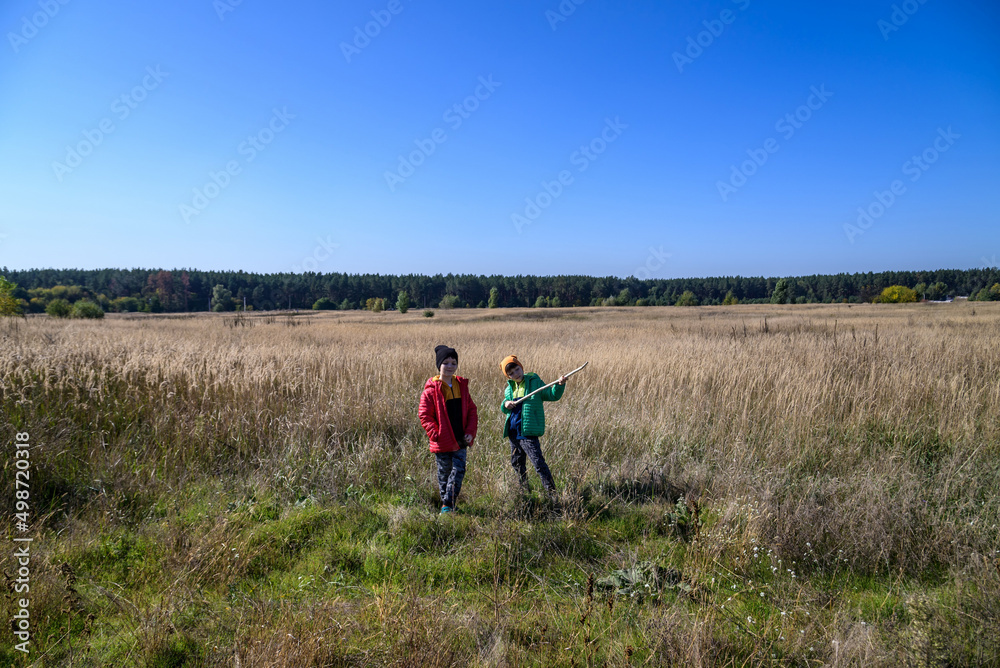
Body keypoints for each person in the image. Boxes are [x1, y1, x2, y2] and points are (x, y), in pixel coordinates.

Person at [418, 345, 478, 513]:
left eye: (454, 362)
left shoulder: (461, 386)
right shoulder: (431, 390)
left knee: (459, 469)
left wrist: (470, 432)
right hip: (442, 439)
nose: (450, 366)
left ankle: (447, 503)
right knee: (444, 473)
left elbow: (472, 410)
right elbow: (424, 415)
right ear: (439, 365)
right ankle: (447, 507)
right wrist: (434, 434)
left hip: (461, 438)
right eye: (446, 363)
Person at [499, 355, 567, 495]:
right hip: (514, 432)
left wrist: (559, 385)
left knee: (538, 463)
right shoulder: (509, 389)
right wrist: (505, 404)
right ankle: (524, 492)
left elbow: (552, 395)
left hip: (527, 432)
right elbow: (505, 407)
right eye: (511, 373)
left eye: (517, 369)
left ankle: (552, 494)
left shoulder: (534, 382)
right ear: (508, 376)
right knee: (517, 464)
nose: (516, 374)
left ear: (521, 367)